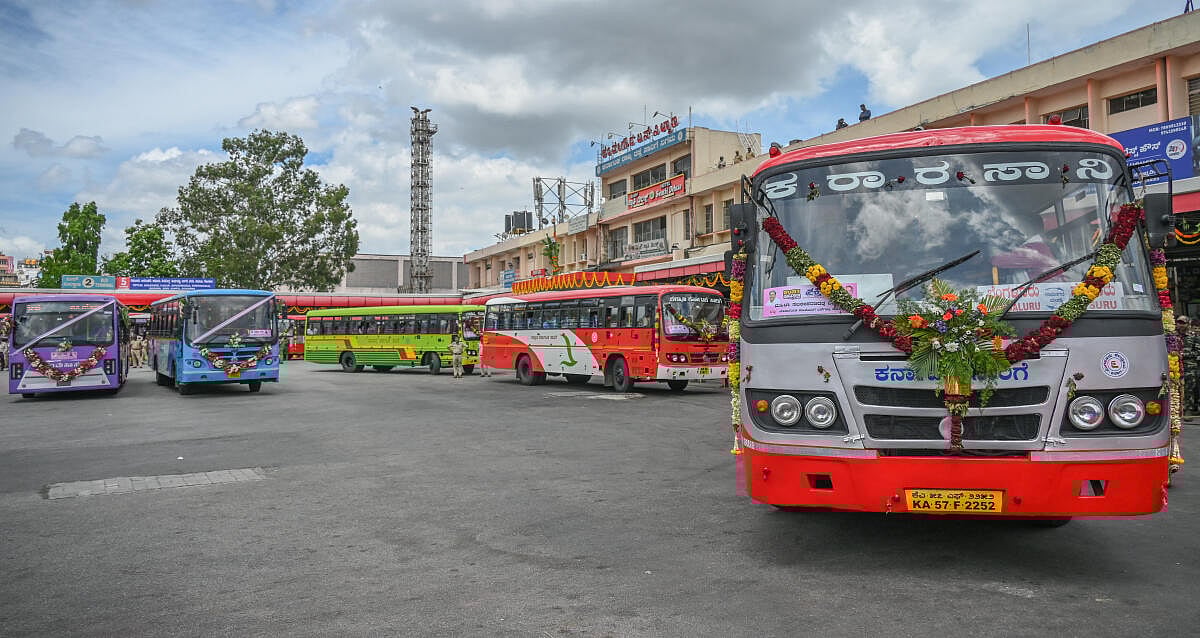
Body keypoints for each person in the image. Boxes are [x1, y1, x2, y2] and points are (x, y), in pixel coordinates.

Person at [1182, 316, 1200, 415]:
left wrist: (1183, 355)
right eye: (1178, 322)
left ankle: (1189, 409)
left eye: (1183, 322)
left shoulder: (1194, 336)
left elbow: (1198, 352)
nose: (1180, 324)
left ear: (1188, 324)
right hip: (1175, 365)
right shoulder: (1173, 336)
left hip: (1190, 367)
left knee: (1190, 387)